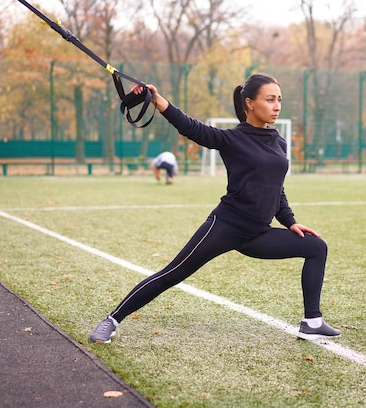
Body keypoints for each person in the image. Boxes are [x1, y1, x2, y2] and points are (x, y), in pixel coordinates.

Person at [90, 73, 340, 344]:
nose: (277, 106)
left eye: (279, 100)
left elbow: (275, 188)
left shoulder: (279, 141)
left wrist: (290, 221)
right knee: (173, 274)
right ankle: (112, 320)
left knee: (316, 247)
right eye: (269, 100)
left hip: (259, 235)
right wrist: (158, 100)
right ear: (250, 104)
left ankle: (312, 322)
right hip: (226, 226)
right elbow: (191, 127)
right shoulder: (231, 139)